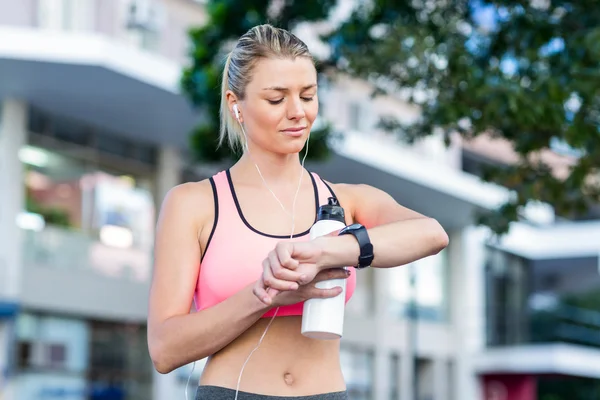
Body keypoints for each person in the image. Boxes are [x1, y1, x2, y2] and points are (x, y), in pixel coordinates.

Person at [147, 24, 449, 400]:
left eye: (308, 95)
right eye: (276, 99)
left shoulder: (345, 201)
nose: (297, 112)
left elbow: (432, 234)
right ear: (234, 103)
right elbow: (164, 349)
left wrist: (326, 251)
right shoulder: (194, 202)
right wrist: (266, 293)